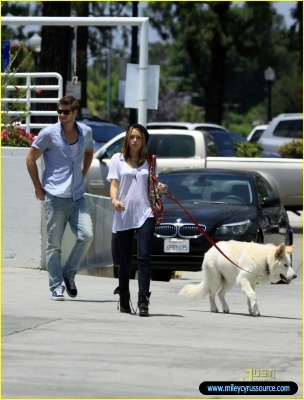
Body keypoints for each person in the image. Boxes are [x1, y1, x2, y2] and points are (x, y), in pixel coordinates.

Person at [26, 96, 94, 301]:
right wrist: (38, 187)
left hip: (77, 197)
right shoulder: (49, 134)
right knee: (54, 245)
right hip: (55, 197)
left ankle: (68, 272)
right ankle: (56, 286)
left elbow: (89, 151)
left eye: (66, 112)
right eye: (59, 111)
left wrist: (83, 173)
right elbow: (30, 159)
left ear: (75, 113)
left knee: (87, 235)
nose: (62, 115)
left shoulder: (86, 132)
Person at [107, 123, 167, 317]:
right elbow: (114, 184)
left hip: (145, 212)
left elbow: (153, 183)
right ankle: (124, 296)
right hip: (124, 213)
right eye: (132, 137)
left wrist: (161, 188)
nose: (134, 141)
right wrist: (114, 200)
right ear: (127, 138)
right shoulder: (117, 159)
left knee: (143, 257)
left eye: (138, 138)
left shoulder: (151, 161)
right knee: (125, 260)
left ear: (144, 141)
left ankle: (143, 301)